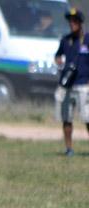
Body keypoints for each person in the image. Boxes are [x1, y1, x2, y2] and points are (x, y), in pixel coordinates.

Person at [54, 8, 89, 157]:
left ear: (80, 23)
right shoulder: (65, 40)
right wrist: (59, 60)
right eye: (70, 21)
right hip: (67, 85)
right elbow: (57, 56)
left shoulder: (87, 39)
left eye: (75, 20)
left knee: (87, 118)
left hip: (83, 84)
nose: (72, 23)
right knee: (66, 118)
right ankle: (69, 149)